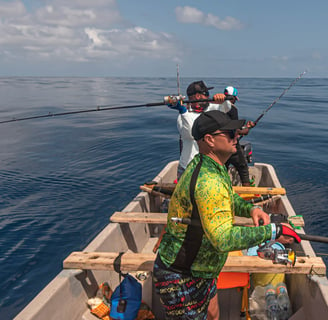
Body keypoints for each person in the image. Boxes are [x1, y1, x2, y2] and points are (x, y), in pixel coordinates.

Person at [153, 110, 301, 320]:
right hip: (181, 274)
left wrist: (250, 209)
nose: (237, 136)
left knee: (213, 314)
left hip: (202, 269)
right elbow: (223, 239)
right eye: (230, 133)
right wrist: (273, 232)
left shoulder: (212, 166)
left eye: (236, 132)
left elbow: (230, 196)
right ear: (210, 140)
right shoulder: (209, 183)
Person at [168, 80, 226, 179]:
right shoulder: (184, 116)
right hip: (188, 167)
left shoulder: (211, 108)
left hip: (209, 166)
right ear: (198, 96)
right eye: (206, 94)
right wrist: (183, 112)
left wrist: (224, 100)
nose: (208, 96)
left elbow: (226, 110)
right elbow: (191, 134)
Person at [223, 86, 255, 186]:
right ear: (232, 98)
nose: (235, 102)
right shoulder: (232, 109)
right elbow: (234, 130)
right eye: (235, 99)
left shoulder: (217, 107)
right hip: (230, 144)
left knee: (224, 167)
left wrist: (245, 127)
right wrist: (246, 130)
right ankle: (247, 191)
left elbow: (228, 125)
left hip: (219, 144)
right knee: (243, 167)